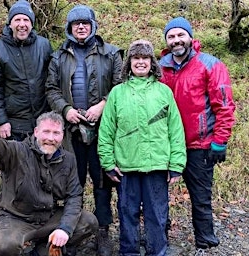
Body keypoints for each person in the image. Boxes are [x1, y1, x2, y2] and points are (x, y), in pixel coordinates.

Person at [0, 96, 98, 256]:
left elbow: (74, 196)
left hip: (47, 218)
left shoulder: (68, 159)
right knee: (5, 246)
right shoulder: (15, 152)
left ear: (62, 136)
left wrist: (65, 228)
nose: (50, 138)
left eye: (56, 133)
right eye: (46, 132)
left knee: (88, 222)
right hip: (14, 219)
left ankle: (40, 251)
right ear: (36, 132)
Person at [45, 5, 123, 255]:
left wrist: (102, 105)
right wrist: (65, 109)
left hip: (103, 129)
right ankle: (71, 233)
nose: (81, 27)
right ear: (69, 28)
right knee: (72, 182)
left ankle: (102, 232)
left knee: (102, 182)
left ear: (93, 26)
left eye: (85, 23)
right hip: (71, 131)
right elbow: (51, 88)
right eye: (76, 23)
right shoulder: (59, 56)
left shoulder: (110, 54)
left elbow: (120, 85)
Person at [98, 39, 187, 256]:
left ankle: (157, 251)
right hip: (126, 166)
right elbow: (106, 130)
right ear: (128, 63)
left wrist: (176, 163)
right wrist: (108, 162)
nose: (140, 62)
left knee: (156, 213)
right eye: (136, 58)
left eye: (145, 58)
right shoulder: (118, 93)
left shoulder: (164, 92)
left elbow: (175, 129)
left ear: (151, 63)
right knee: (127, 212)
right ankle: (129, 252)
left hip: (157, 166)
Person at [159, 17, 236, 255]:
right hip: (165, 143)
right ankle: (159, 238)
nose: (176, 40)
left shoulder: (210, 65)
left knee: (200, 196)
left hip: (199, 144)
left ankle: (204, 241)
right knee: (158, 196)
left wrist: (219, 140)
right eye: (171, 37)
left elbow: (224, 105)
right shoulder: (159, 66)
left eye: (180, 35)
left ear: (191, 37)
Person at [0, 0, 53, 141]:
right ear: (10, 24)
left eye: (26, 20)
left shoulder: (44, 45)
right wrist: (1, 121)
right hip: (14, 123)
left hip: (42, 119)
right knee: (16, 162)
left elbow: (52, 80)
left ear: (32, 24)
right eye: (17, 20)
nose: (22, 24)